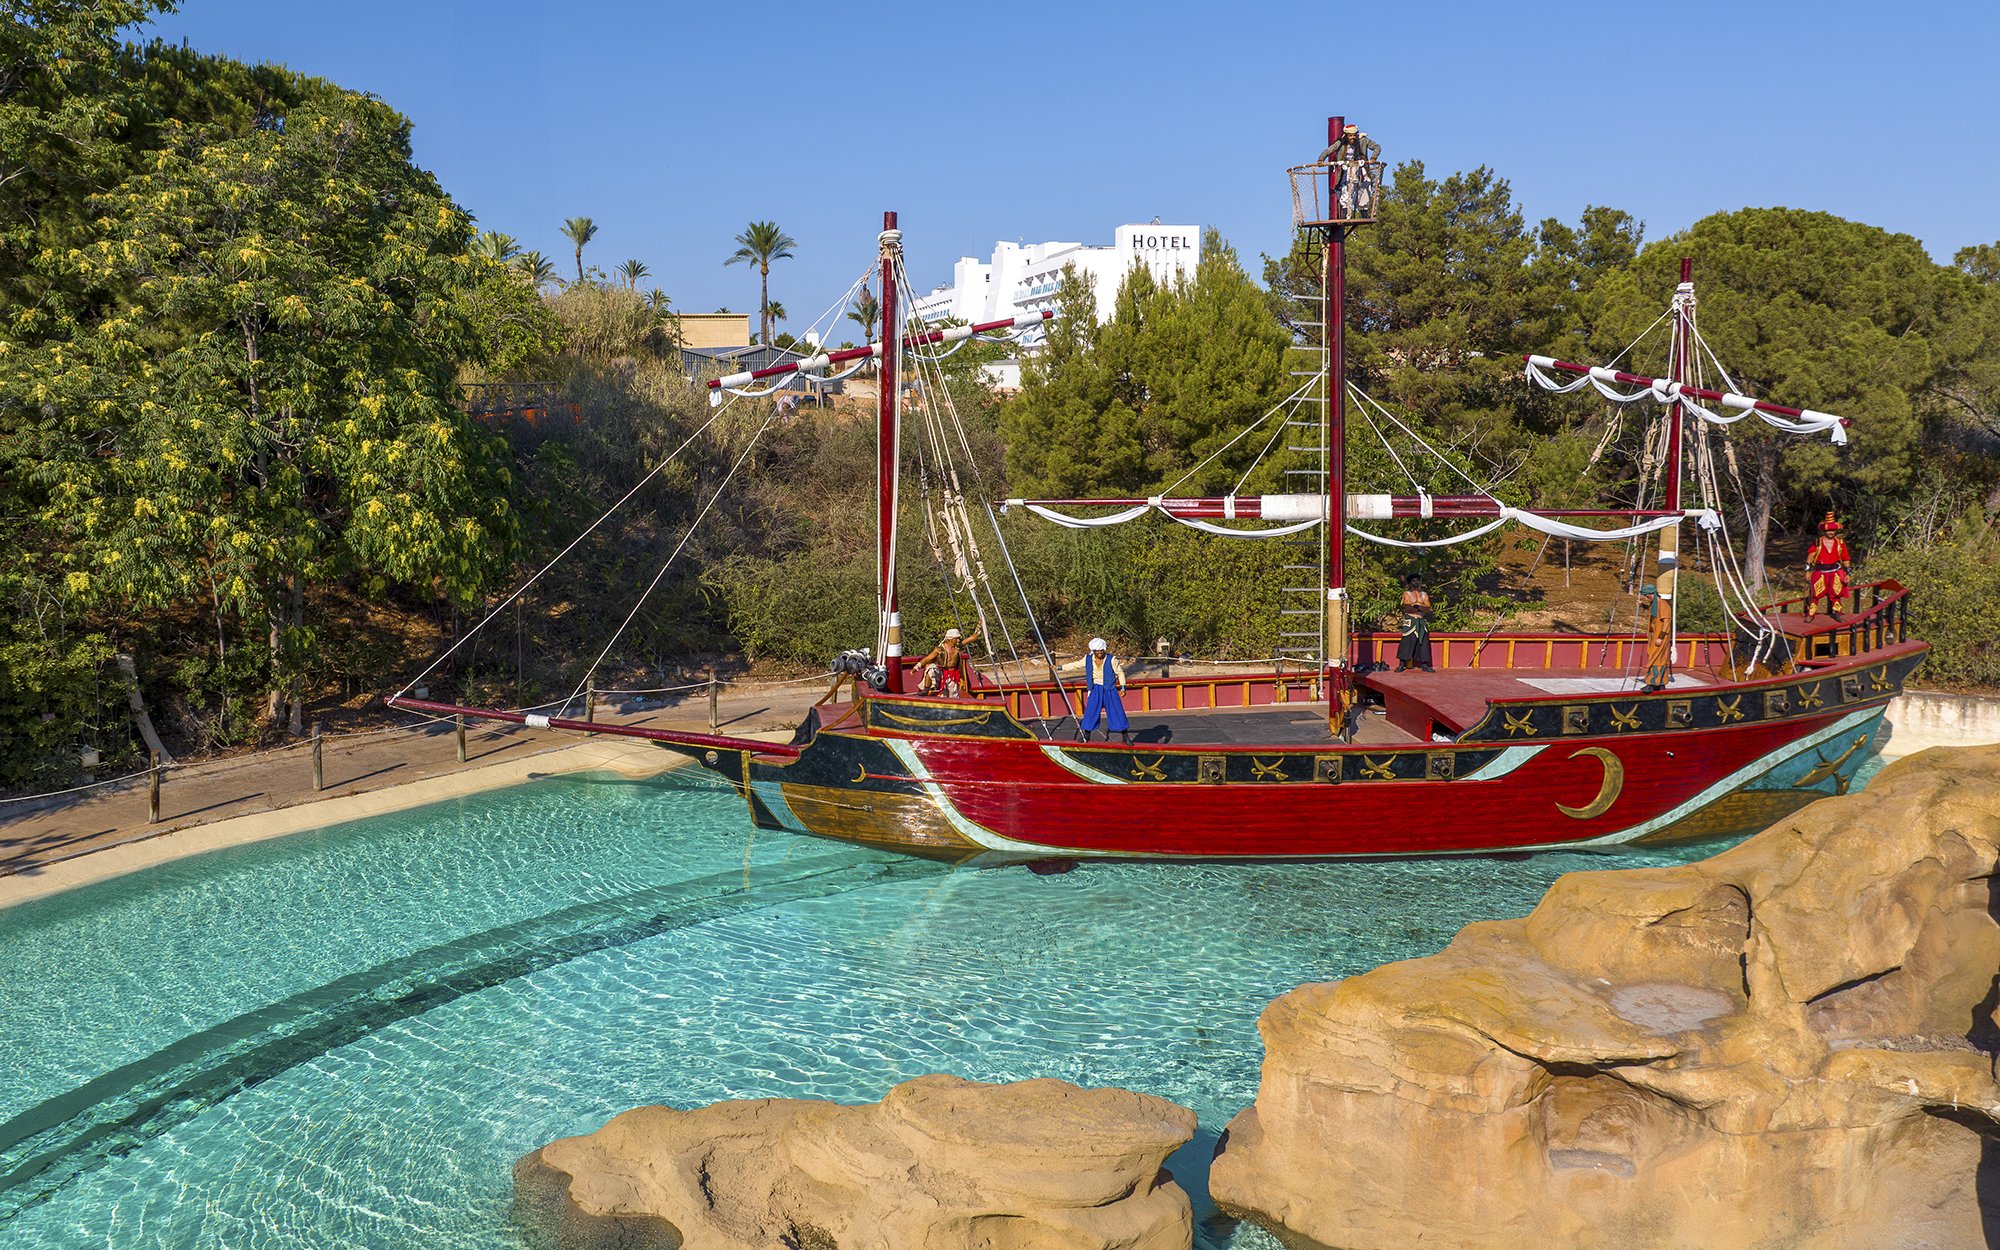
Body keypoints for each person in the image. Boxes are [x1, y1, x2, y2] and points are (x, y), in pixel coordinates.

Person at [1321, 123, 1381, 219]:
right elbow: (1329, 150)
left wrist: (1373, 157)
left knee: (1365, 187)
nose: (1352, 137)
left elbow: (1377, 147)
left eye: (1354, 135)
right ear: (1346, 136)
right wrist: (1321, 159)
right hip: (1347, 169)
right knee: (1347, 189)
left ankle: (1364, 213)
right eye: (1350, 135)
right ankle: (1345, 213)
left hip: (1360, 168)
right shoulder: (1340, 143)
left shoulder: (1362, 141)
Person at [1078, 637, 1129, 743]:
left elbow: (1120, 673)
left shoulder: (1112, 659)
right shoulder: (1088, 659)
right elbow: (1075, 665)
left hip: (1110, 689)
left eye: (1101, 651)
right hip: (1095, 688)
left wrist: (1123, 687)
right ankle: (1086, 736)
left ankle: (1125, 737)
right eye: (1098, 651)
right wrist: (1059, 668)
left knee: (1117, 711)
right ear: (1094, 651)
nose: (1100, 653)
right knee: (1091, 711)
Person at [1803, 512, 1852, 620]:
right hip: (1820, 572)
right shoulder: (1817, 542)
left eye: (1833, 530)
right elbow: (1810, 557)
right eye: (1828, 530)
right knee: (1815, 594)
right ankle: (1810, 615)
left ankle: (1838, 613)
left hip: (1835, 572)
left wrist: (1848, 573)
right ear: (1824, 531)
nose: (1830, 532)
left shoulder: (1840, 543)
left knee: (1836, 594)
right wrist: (1807, 571)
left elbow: (1846, 558)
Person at [913, 626, 980, 697]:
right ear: (950, 639)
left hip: (953, 675)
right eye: (956, 638)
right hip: (941, 673)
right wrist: (917, 667)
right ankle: (926, 690)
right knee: (931, 667)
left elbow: (973, 637)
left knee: (953, 697)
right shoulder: (940, 649)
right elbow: (927, 659)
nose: (958, 640)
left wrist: (979, 626)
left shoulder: (958, 647)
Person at [1396, 574, 1434, 672]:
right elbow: (1408, 607)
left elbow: (1428, 608)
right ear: (1410, 583)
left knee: (1423, 642)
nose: (1416, 582)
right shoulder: (1406, 594)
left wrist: (1417, 606)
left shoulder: (1424, 594)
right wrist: (1420, 607)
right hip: (1410, 620)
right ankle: (1401, 664)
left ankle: (1424, 664)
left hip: (1421, 620)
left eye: (1417, 580)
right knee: (1407, 641)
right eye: (1414, 581)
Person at [1639, 584, 1673, 692]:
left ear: (1652, 594)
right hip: (1654, 635)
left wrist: (1661, 637)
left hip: (1660, 636)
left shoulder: (1662, 604)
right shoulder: (1654, 604)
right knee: (1656, 657)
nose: (1646, 598)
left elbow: (1666, 622)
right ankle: (1661, 683)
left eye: (1646, 596)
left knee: (1656, 659)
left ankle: (1652, 683)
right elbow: (1652, 611)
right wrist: (1642, 605)